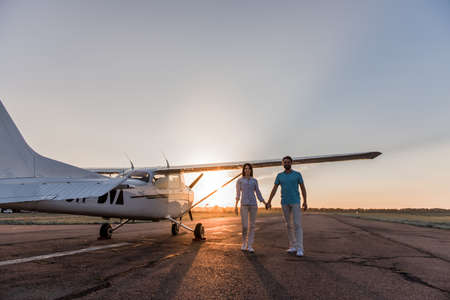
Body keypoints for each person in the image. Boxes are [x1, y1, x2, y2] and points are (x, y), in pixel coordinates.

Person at [267, 156, 307, 257]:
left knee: (297, 224)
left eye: (288, 162)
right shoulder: (279, 176)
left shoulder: (297, 174)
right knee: (288, 225)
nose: (286, 164)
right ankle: (292, 246)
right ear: (282, 164)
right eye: (284, 162)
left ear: (291, 163)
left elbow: (303, 189)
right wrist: (269, 201)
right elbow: (274, 189)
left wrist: (305, 201)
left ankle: (300, 248)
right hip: (284, 202)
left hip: (295, 202)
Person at [235, 163, 266, 253]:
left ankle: (250, 245)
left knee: (252, 226)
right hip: (244, 204)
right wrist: (236, 205)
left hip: (253, 205)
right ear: (243, 170)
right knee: (245, 226)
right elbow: (238, 194)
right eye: (245, 168)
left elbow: (258, 193)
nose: (247, 170)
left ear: (251, 170)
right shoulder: (239, 181)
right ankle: (244, 243)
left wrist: (264, 202)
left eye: (248, 168)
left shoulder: (254, 181)